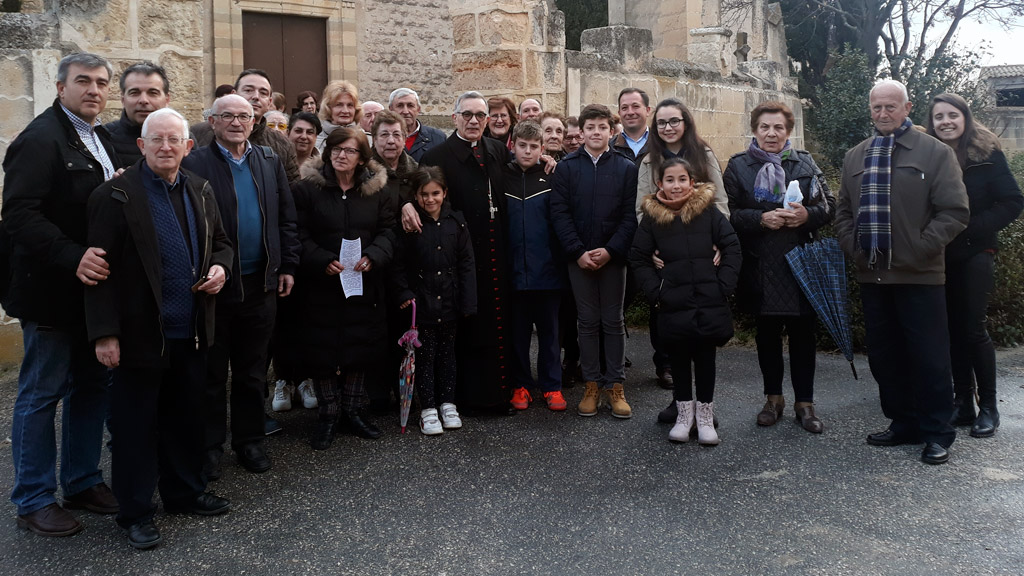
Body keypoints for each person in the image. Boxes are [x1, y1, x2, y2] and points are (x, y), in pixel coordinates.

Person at [84, 108, 234, 550]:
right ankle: (134, 513)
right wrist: (105, 334)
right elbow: (97, 272)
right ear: (142, 146)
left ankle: (184, 494)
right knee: (134, 429)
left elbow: (221, 243)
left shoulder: (201, 190)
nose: (166, 147)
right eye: (157, 140)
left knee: (184, 419)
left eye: (174, 140)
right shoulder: (114, 196)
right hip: (137, 335)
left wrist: (221, 269)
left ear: (188, 147)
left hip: (189, 329)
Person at [1, 52, 121, 538]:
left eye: (100, 83)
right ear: (60, 87)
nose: (93, 90)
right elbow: (20, 215)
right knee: (41, 394)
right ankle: (32, 499)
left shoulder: (103, 137)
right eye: (83, 82)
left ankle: (82, 480)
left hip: (94, 295)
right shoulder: (40, 140)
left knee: (91, 387)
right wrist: (72, 256)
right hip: (51, 290)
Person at [834, 79, 969, 465]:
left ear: (907, 108)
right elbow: (844, 211)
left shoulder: (934, 153)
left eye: (891, 107)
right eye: (876, 108)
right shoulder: (856, 156)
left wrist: (918, 249)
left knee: (929, 358)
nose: (883, 114)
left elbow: (955, 212)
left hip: (919, 274)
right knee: (885, 356)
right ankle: (904, 422)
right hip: (873, 275)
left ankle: (936, 432)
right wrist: (854, 249)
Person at [181, 94, 300, 477]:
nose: (236, 122)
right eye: (227, 116)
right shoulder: (194, 162)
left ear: (254, 121)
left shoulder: (268, 160)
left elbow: (286, 217)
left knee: (251, 373)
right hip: (216, 285)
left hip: (261, 283)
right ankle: (209, 446)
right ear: (212, 121)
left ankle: (249, 442)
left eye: (244, 116)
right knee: (213, 372)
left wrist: (286, 266)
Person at [724, 100, 835, 434]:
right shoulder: (738, 166)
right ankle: (773, 399)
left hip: (799, 262)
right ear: (755, 130)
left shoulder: (805, 162)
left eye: (778, 128)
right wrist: (760, 218)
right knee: (767, 336)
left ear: (788, 131)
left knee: (803, 336)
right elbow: (727, 214)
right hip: (761, 263)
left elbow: (829, 206)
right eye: (764, 127)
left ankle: (806, 402)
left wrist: (807, 215)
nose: (771, 134)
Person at [403, 91, 514, 414]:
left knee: (497, 326)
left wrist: (548, 158)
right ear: (454, 118)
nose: (474, 121)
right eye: (467, 115)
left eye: (481, 115)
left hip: (497, 253)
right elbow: (422, 200)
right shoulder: (437, 155)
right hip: (457, 259)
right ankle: (466, 398)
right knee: (467, 329)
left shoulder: (495, 150)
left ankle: (498, 394)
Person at [926, 93, 1023, 438]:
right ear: (932, 123)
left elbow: (1013, 201)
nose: (946, 122)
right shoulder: (930, 156)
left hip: (976, 252)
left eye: (952, 115)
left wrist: (972, 227)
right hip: (939, 255)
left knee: (973, 329)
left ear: (965, 117)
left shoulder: (986, 154)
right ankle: (963, 403)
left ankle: (989, 407)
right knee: (950, 330)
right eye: (939, 117)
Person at [293, 127, 396, 448]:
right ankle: (328, 415)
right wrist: (320, 258)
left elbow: (389, 231)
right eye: (336, 148)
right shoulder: (306, 190)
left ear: (362, 158)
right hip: (321, 283)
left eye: (350, 150)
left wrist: (374, 255)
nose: (341, 155)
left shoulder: (376, 192)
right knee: (322, 349)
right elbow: (296, 232)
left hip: (362, 282)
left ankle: (352, 411)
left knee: (358, 345)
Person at [631, 157, 741, 445]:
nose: (676, 186)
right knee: (678, 358)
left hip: (708, 299)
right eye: (670, 180)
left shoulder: (709, 213)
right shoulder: (654, 219)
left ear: (692, 183)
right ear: (660, 185)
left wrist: (724, 286)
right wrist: (657, 292)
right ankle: (683, 414)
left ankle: (705, 416)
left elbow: (731, 246)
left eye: (682, 179)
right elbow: (639, 258)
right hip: (673, 301)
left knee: (706, 358)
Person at [550, 103, 639, 419]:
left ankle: (615, 385)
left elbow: (630, 216)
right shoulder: (568, 167)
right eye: (591, 127)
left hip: (613, 258)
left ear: (611, 131)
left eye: (602, 127)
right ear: (582, 132)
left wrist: (611, 250)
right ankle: (591, 385)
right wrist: (577, 251)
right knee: (586, 322)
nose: (596, 132)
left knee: (612, 321)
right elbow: (559, 213)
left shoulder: (627, 168)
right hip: (580, 259)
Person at [636, 98, 728, 398]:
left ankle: (702, 403)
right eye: (661, 122)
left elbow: (721, 201)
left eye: (674, 121)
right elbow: (641, 208)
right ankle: (667, 368)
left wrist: (718, 240)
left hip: (701, 246)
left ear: (685, 122)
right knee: (665, 311)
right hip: (666, 248)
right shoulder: (649, 160)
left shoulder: (704, 154)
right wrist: (648, 247)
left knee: (700, 315)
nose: (668, 127)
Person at [394, 167, 477, 434]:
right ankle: (428, 407)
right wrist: (404, 292)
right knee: (425, 357)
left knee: (447, 355)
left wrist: (468, 302)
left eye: (436, 194)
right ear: (416, 196)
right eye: (424, 195)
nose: (430, 200)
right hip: (423, 303)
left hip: (450, 300)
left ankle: (447, 403)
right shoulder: (410, 224)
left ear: (445, 193)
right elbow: (398, 263)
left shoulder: (457, 222)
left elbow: (466, 263)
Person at [504, 121, 567, 412]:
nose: (527, 151)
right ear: (512, 146)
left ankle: (551, 386)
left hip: (548, 271)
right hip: (514, 272)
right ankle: (520, 385)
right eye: (522, 146)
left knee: (550, 334)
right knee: (517, 334)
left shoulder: (553, 176)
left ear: (542, 149)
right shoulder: (502, 176)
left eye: (533, 147)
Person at [191, 69, 299, 183]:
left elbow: (290, 193)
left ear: (269, 102)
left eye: (263, 93)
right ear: (234, 94)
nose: (256, 97)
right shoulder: (199, 134)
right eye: (248, 90)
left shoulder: (282, 145)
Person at [104, 61, 172, 165]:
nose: (143, 100)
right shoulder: (104, 138)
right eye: (134, 93)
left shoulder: (183, 138)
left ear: (167, 99)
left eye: (153, 93)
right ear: (123, 99)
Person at [389, 87, 446, 162]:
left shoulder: (438, 138)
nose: (406, 111)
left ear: (418, 109)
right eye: (400, 106)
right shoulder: (383, 138)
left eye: (410, 105)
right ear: (391, 109)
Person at [317, 80, 361, 152]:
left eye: (350, 105)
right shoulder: (315, 141)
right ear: (328, 108)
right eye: (339, 105)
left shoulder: (366, 140)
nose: (345, 111)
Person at [613, 88, 651, 162]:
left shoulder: (661, 143)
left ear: (647, 110)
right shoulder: (609, 148)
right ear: (619, 113)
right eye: (624, 108)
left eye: (636, 106)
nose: (630, 112)